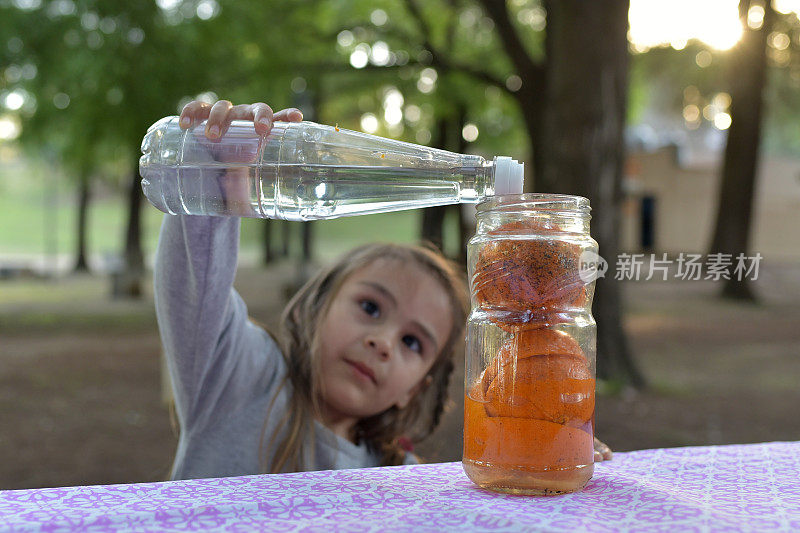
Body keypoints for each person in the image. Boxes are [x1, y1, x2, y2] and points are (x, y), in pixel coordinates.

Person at [155, 99, 612, 480]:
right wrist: (215, 170)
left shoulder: (398, 476)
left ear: (415, 389)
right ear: (319, 305)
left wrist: (551, 442)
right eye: (371, 307)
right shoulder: (238, 376)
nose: (383, 342)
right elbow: (196, 283)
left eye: (413, 342)